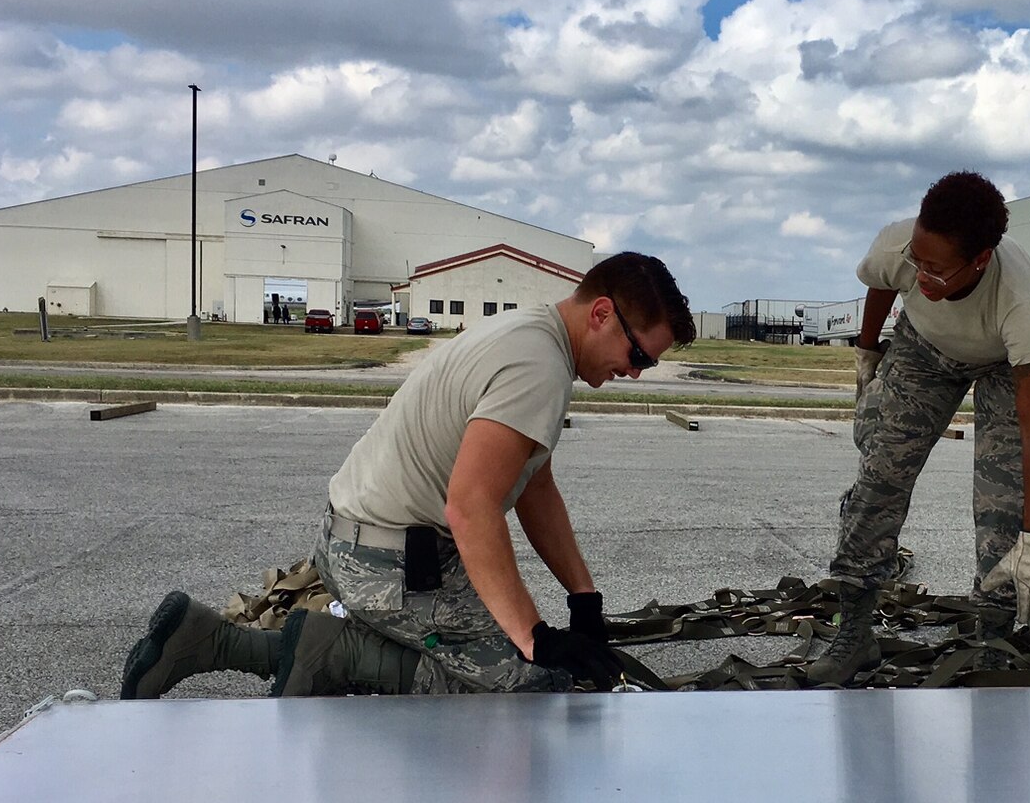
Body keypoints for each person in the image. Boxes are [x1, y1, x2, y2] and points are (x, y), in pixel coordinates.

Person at [121, 252, 696, 699]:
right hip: (393, 565)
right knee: (536, 690)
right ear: (601, 314)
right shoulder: (538, 367)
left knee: (504, 657)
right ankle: (333, 655)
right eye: (639, 356)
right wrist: (534, 639)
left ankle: (210, 639)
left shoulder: (530, 336)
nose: (636, 373)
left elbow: (533, 486)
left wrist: (583, 597)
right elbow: (471, 508)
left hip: (364, 543)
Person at [808, 171, 1030, 685]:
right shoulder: (901, 245)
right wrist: (867, 351)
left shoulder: (1022, 303)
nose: (922, 276)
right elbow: (881, 283)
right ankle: (856, 631)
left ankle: (994, 641)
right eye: (917, 261)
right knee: (879, 475)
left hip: (1002, 364)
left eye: (937, 270)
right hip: (924, 349)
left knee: (1002, 501)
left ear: (980, 260)